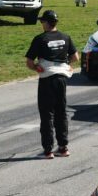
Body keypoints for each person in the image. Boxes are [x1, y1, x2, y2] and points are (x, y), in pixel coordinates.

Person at [25, 10, 78, 159]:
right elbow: (75, 57)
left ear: (47, 23)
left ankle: (48, 150)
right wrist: (64, 62)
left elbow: (29, 62)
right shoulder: (65, 37)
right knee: (61, 112)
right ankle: (63, 147)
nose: (41, 24)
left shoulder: (40, 39)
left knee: (47, 113)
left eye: (42, 21)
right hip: (61, 78)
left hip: (47, 78)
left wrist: (36, 67)